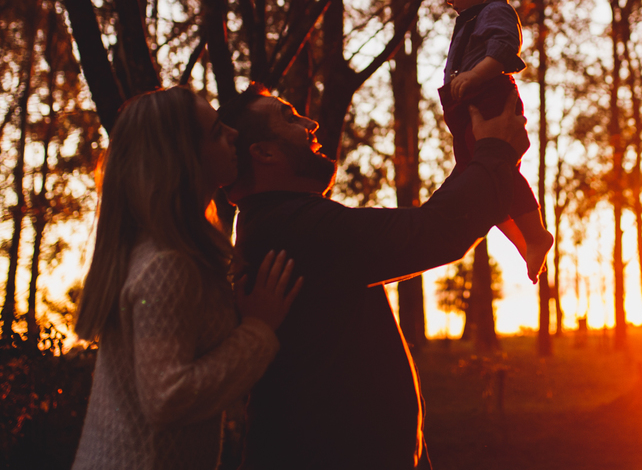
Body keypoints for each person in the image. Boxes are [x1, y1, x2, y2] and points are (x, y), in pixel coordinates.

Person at [220, 84, 532, 469]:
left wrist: (480, 157)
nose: (310, 123)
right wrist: (494, 151)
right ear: (264, 153)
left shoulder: (280, 222)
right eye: (289, 117)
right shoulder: (294, 228)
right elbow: (434, 232)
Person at [71, 87, 302, 470]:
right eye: (216, 132)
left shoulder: (163, 251)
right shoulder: (168, 265)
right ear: (182, 159)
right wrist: (258, 330)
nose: (233, 134)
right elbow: (167, 398)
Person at [439, 0, 554, 281]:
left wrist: (475, 75)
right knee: (481, 178)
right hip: (467, 104)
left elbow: (504, 48)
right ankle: (524, 242)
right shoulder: (474, 17)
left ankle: (535, 235)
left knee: (498, 170)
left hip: (488, 96)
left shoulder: (495, 11)